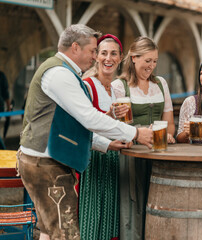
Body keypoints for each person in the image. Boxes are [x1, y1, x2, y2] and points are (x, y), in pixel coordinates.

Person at [17, 24, 153, 240]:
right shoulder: (60, 74)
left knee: (48, 231)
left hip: (41, 160)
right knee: (66, 234)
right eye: (92, 50)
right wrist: (135, 134)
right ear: (75, 47)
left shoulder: (63, 71)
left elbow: (71, 125)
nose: (95, 56)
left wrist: (105, 144)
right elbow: (89, 118)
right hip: (47, 165)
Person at [111, 36, 175, 240]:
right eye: (147, 60)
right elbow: (116, 125)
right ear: (134, 57)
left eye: (155, 61)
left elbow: (169, 123)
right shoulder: (119, 86)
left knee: (156, 202)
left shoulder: (161, 84)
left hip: (158, 153)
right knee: (133, 204)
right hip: (132, 154)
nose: (152, 66)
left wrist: (169, 135)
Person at [78, 34, 130, 240]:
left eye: (113, 54)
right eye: (104, 53)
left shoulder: (117, 90)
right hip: (94, 159)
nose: (108, 58)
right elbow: (83, 128)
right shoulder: (87, 85)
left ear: (120, 58)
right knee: (92, 220)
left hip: (114, 159)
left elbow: (118, 125)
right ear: (97, 57)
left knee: (110, 220)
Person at [0, 70, 11, 149]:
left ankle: (3, 149)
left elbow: (5, 93)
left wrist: (8, 108)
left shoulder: (1, 75)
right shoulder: (1, 75)